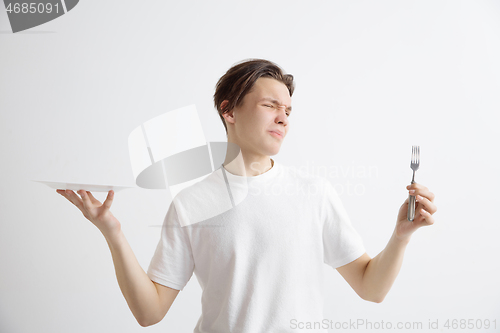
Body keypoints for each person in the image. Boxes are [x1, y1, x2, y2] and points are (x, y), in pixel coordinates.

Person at [56, 58, 437, 332]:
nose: (284, 118)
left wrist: (401, 237)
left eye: (288, 109)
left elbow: (371, 289)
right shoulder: (191, 203)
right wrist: (111, 231)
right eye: (270, 105)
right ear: (229, 111)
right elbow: (149, 312)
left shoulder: (313, 193)